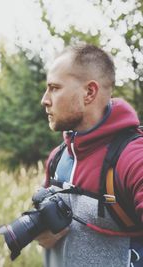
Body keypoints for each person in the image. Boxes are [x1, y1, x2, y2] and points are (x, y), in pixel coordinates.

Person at [36, 43, 143, 267]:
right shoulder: (58, 157)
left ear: (89, 92)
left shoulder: (133, 159)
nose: (45, 99)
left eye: (54, 88)